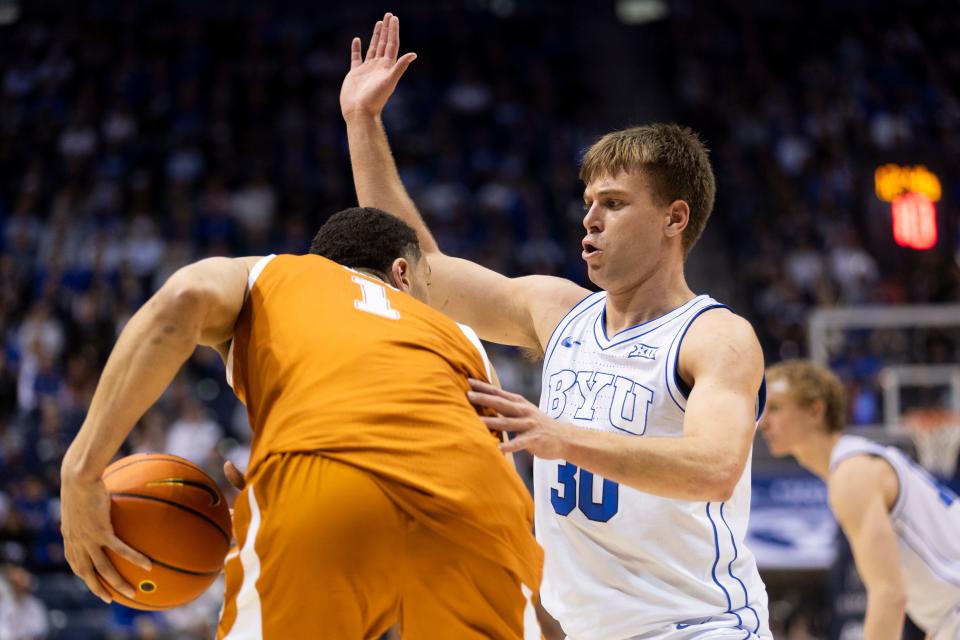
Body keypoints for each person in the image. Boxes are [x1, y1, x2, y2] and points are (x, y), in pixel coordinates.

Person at [341, 13, 770, 639]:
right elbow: (420, 269)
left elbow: (713, 468)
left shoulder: (715, 337)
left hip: (699, 626)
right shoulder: (557, 312)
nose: (590, 220)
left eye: (615, 205)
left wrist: (559, 437)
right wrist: (362, 124)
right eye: (589, 204)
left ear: (675, 219)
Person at [59, 207, 543, 639]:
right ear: (403, 275)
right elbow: (470, 455)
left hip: (321, 476)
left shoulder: (270, 274)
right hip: (484, 507)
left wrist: (80, 472)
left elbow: (181, 300)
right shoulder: (464, 340)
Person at [760, 360, 960, 640]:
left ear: (816, 410)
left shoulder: (852, 474)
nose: (763, 421)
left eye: (776, 408)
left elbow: (889, 595)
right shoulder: (860, 461)